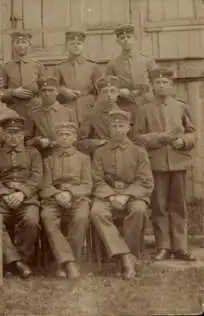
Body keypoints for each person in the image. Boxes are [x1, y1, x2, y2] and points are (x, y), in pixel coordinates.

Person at [136, 67, 197, 262]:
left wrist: (184, 142)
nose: (161, 86)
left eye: (165, 83)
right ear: (152, 86)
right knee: (159, 206)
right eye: (157, 83)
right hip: (156, 164)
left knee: (178, 206)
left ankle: (180, 247)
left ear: (172, 86)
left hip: (178, 162)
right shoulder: (144, 109)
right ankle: (163, 246)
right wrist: (158, 137)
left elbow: (192, 132)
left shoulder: (180, 107)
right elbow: (137, 137)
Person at [90, 109, 154, 279]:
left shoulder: (139, 151)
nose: (117, 129)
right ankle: (126, 256)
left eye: (121, 126)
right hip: (107, 195)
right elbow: (97, 180)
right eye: (114, 126)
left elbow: (145, 181)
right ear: (108, 128)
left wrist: (126, 196)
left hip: (133, 194)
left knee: (138, 210)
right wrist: (111, 196)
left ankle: (129, 254)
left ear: (128, 128)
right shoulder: (100, 152)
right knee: (97, 212)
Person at [0, 116, 41, 279]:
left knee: (31, 220)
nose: (13, 137)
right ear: (3, 135)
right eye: (9, 133)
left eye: (17, 133)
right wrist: (5, 194)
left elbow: (37, 177)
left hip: (26, 198)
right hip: (2, 198)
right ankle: (17, 263)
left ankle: (23, 258)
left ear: (23, 135)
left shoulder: (33, 153)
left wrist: (22, 193)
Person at [40, 121, 91, 279]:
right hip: (54, 198)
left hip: (77, 198)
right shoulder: (48, 160)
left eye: (67, 135)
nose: (63, 138)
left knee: (81, 218)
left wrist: (69, 193)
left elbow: (88, 185)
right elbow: (45, 185)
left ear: (74, 138)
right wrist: (57, 195)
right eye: (60, 135)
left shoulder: (84, 159)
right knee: (47, 217)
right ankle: (69, 263)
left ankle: (66, 262)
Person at [105, 24, 157, 106]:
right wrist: (119, 91)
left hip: (146, 102)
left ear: (134, 38)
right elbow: (108, 86)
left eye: (128, 37)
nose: (126, 40)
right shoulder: (112, 64)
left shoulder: (147, 60)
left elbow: (156, 81)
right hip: (124, 104)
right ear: (118, 41)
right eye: (122, 38)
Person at [56, 30, 101, 123]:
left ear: (83, 46)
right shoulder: (60, 67)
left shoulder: (93, 66)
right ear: (67, 46)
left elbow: (100, 89)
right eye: (72, 44)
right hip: (67, 107)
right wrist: (63, 90)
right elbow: (52, 87)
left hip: (88, 107)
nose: (76, 46)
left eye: (79, 43)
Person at [0, 31, 44, 123]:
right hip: (14, 109)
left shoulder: (38, 66)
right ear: (13, 46)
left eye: (24, 42)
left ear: (29, 45)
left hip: (34, 109)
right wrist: (13, 92)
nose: (20, 45)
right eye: (17, 42)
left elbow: (44, 88)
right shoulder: (5, 67)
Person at [27, 76, 75, 158]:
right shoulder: (33, 113)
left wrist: (54, 143)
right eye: (44, 90)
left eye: (51, 90)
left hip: (65, 155)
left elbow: (76, 137)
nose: (47, 93)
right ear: (39, 93)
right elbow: (27, 141)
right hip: (43, 155)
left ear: (57, 92)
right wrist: (36, 141)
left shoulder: (68, 112)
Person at [77, 76, 124, 155]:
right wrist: (98, 143)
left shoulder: (124, 114)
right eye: (105, 92)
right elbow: (80, 142)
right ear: (99, 94)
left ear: (117, 94)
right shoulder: (91, 116)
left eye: (112, 91)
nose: (109, 95)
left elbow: (134, 140)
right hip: (101, 156)